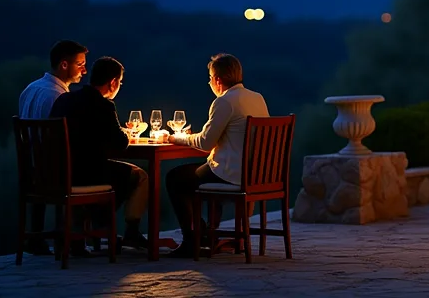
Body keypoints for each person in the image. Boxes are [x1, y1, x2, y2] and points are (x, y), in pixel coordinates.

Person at [163, 53, 268, 257]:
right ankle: (207, 234)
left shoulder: (224, 101)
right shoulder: (257, 98)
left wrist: (175, 138)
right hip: (256, 174)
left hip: (231, 174)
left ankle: (192, 240)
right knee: (201, 172)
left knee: (176, 178)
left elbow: (205, 143)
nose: (210, 82)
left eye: (210, 78)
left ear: (217, 80)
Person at [49, 56, 149, 251]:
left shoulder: (64, 100)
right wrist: (128, 133)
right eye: (119, 82)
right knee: (139, 175)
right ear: (113, 82)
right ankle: (130, 231)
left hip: (57, 173)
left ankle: (90, 231)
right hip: (87, 176)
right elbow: (120, 144)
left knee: (111, 171)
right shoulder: (104, 106)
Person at [16, 40, 88, 256]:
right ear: (64, 65)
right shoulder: (60, 98)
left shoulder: (30, 89)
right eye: (80, 64)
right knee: (92, 171)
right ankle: (75, 240)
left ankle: (36, 238)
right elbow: (66, 141)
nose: (84, 70)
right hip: (54, 172)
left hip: (31, 170)